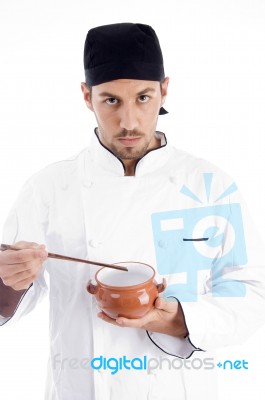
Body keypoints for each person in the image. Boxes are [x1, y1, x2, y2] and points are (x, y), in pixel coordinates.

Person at [0, 22, 265, 400]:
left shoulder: (209, 185)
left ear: (164, 90)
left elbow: (252, 291)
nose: (129, 122)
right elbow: (4, 303)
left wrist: (178, 320)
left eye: (143, 98)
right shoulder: (48, 188)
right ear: (86, 96)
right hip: (81, 388)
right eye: (111, 100)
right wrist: (10, 276)